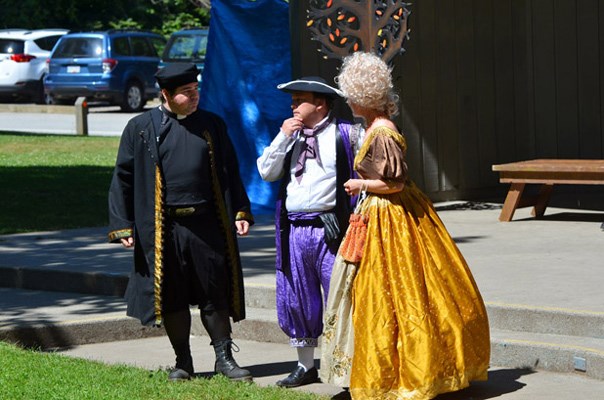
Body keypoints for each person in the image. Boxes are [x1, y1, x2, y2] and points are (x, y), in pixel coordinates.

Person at [320, 52, 491, 399]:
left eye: (352, 95)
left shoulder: (383, 132)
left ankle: (410, 372)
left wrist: (361, 185)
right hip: (383, 214)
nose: (349, 102)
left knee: (400, 294)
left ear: (365, 98)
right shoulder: (374, 127)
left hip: (391, 217)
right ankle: (396, 369)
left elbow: (395, 184)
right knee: (387, 295)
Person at [108, 63, 254, 382]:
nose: (195, 97)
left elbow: (229, 171)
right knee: (171, 295)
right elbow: (123, 177)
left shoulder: (211, 125)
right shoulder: (141, 128)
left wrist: (240, 211)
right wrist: (122, 224)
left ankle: (224, 358)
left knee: (214, 291)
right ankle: (183, 361)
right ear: (166, 95)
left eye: (196, 90)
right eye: (186, 93)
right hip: (163, 229)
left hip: (206, 225)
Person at [256, 76, 360, 388]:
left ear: (320, 103)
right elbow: (266, 172)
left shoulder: (347, 134)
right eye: (291, 100)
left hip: (331, 229)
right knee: (298, 297)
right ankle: (305, 365)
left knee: (340, 297)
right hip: (294, 229)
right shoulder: (290, 135)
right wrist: (282, 138)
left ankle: (347, 370)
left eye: (299, 99)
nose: (292, 105)